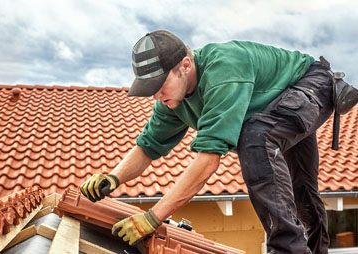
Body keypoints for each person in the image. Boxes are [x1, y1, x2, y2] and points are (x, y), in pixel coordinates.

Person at [80, 30, 337, 253]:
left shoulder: (223, 69)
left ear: (186, 66)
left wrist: (152, 217)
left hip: (311, 84)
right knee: (300, 187)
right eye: (150, 88)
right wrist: (114, 177)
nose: (157, 95)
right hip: (278, 106)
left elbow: (208, 160)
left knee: (256, 138)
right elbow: (148, 147)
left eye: (160, 84)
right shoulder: (171, 101)